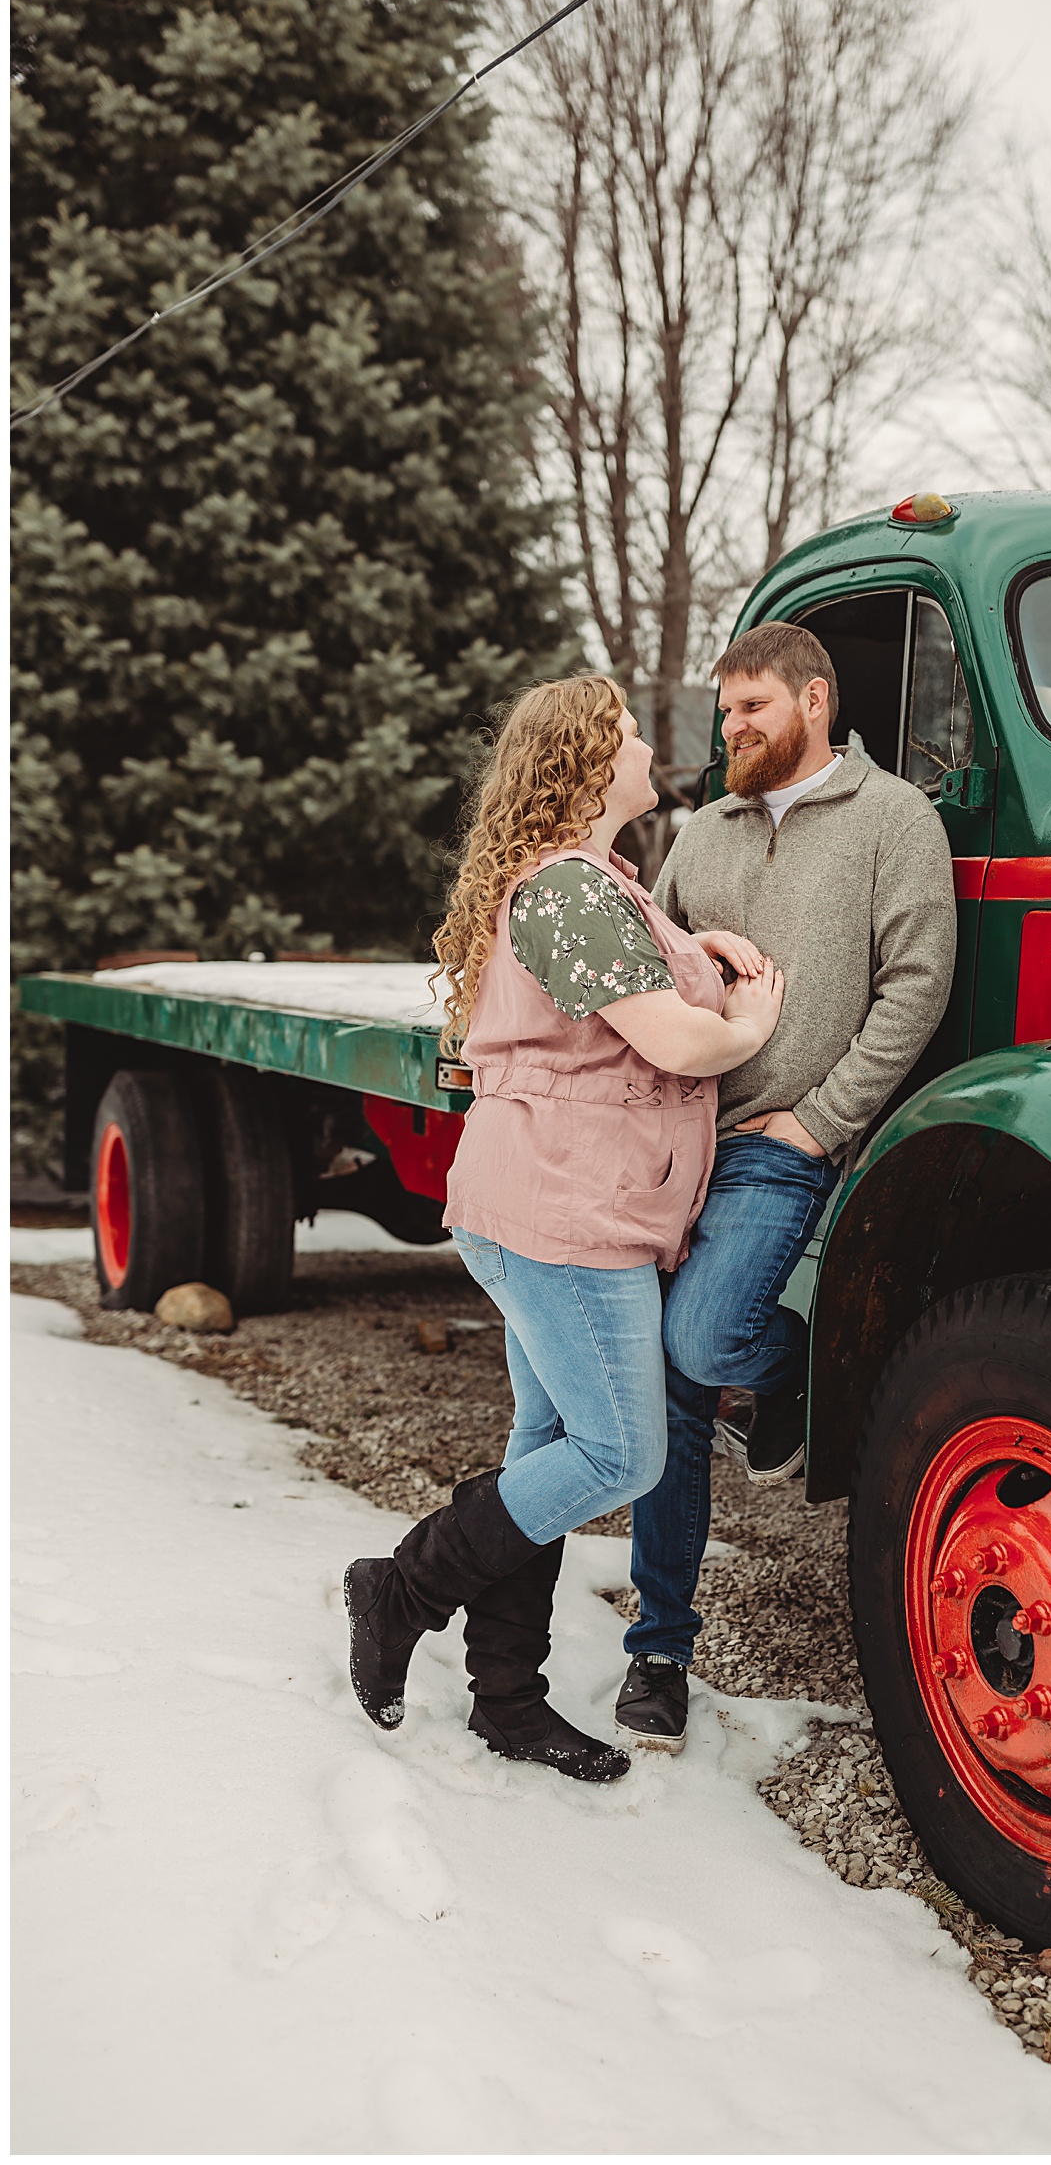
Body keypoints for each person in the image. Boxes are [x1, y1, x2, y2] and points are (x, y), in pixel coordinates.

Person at [344, 675, 783, 1782]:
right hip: (563, 1216)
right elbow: (676, 1046)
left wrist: (699, 951)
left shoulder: (593, 888)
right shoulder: (565, 895)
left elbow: (630, 1002)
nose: (648, 744)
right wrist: (749, 1017)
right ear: (590, 765)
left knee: (546, 1449)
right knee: (622, 1451)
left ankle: (506, 1698)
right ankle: (398, 1587)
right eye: (632, 732)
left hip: (567, 1204)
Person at [614, 621, 957, 1753]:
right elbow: (648, 955)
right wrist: (691, 933)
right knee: (660, 1373)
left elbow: (915, 987)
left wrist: (821, 1118)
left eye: (753, 705)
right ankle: (659, 1651)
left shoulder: (894, 821)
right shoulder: (703, 831)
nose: (733, 727)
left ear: (816, 701)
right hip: (682, 1130)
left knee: (703, 1343)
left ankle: (790, 1377)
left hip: (781, 1137)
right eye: (725, 710)